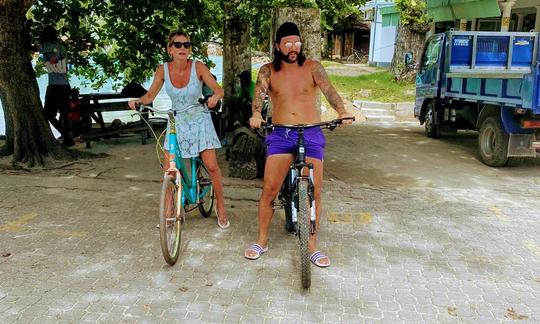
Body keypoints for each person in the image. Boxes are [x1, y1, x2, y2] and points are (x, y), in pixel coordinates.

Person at [244, 22, 354, 267]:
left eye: (296, 42)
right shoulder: (267, 70)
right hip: (282, 134)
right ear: (278, 46)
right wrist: (256, 114)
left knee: (314, 192)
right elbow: (259, 95)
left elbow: (330, 91)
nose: (293, 47)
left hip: (312, 133)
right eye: (287, 43)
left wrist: (342, 111)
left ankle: (312, 247)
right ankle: (261, 241)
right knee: (270, 190)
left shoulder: (313, 67)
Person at [128, 30, 229, 229]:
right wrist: (137, 102)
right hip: (176, 121)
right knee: (169, 169)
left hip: (199, 120)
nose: (183, 48)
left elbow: (219, 89)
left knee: (212, 165)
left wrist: (215, 97)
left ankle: (221, 205)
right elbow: (150, 95)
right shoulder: (162, 70)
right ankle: (168, 210)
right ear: (169, 49)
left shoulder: (198, 66)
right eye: (178, 44)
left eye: (187, 45)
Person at [39, 25, 74, 147]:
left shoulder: (48, 46)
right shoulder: (62, 47)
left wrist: (26, 29)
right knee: (64, 114)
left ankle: (66, 136)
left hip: (55, 86)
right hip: (65, 86)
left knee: (48, 114)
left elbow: (29, 47)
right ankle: (67, 138)